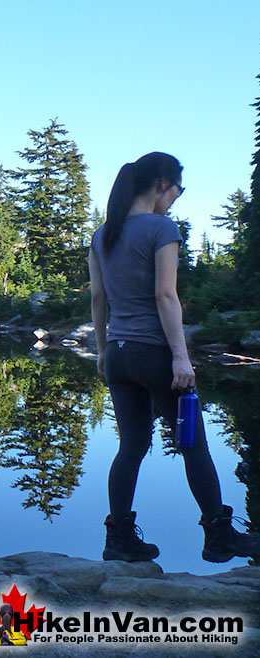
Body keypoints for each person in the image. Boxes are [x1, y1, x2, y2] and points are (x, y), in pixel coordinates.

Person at [89, 152, 260, 563]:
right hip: (155, 356)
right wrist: (181, 358)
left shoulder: (102, 234)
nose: (176, 200)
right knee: (194, 446)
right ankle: (218, 536)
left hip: (119, 356)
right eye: (177, 191)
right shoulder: (160, 228)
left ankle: (119, 540)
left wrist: (101, 350)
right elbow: (166, 295)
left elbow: (98, 298)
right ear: (163, 183)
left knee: (131, 447)